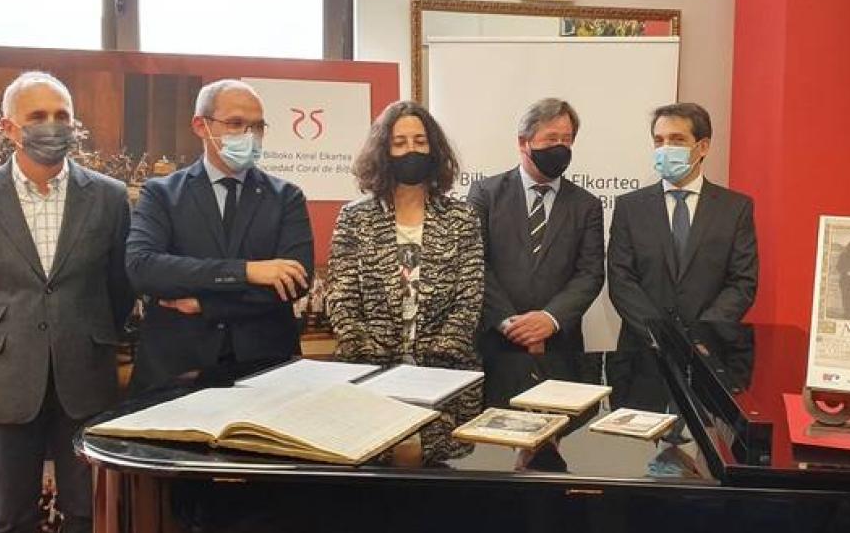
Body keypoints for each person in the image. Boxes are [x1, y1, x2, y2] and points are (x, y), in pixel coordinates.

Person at [0, 71, 133, 533]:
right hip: (2, 381)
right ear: (8, 127)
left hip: (86, 377)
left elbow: (121, 289)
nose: (53, 125)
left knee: (89, 514)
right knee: (9, 517)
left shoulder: (109, 196)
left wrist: (87, 333)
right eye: (38, 115)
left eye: (62, 115)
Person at [126, 79, 314, 392]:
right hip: (177, 369)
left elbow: (295, 282)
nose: (249, 135)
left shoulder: (286, 198)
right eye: (236, 123)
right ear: (201, 126)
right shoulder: (161, 194)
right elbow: (144, 268)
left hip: (266, 367)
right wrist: (246, 271)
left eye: (258, 126)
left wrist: (206, 303)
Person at [325, 101, 483, 462]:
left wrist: (434, 361)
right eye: (399, 143)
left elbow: (469, 297)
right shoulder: (355, 218)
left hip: (446, 380)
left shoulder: (461, 217)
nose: (411, 150)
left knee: (442, 481)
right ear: (383, 152)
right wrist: (374, 360)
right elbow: (342, 299)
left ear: (434, 149)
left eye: (420, 141)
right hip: (369, 382)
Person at [467, 98, 604, 404]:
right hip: (496, 349)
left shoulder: (587, 205)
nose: (560, 147)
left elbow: (590, 274)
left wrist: (549, 319)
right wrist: (513, 325)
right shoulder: (485, 194)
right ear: (523, 142)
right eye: (551, 139)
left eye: (566, 140)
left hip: (561, 351)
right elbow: (475, 265)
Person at [608, 102, 758, 349]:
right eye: (659, 141)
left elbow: (741, 283)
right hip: (642, 350)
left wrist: (702, 334)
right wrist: (659, 335)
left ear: (703, 146)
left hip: (708, 349)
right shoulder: (630, 207)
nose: (666, 148)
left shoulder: (735, 208)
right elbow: (621, 280)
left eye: (677, 140)